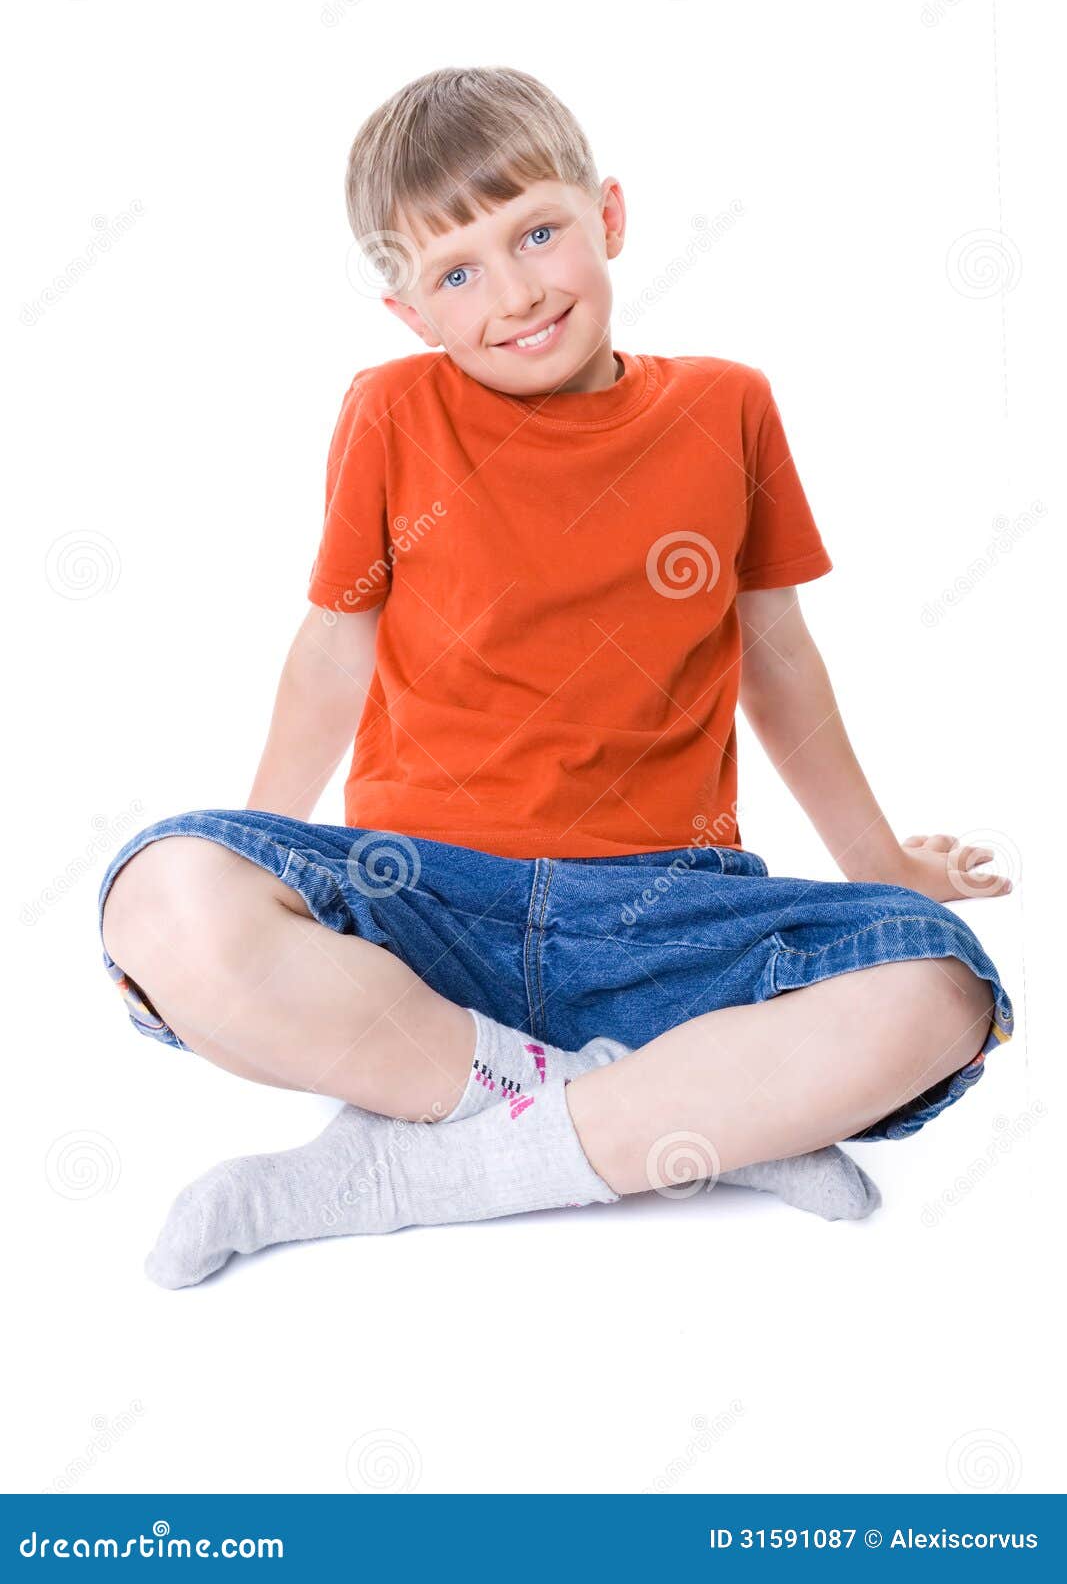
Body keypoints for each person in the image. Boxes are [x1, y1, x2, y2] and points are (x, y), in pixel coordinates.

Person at [97, 66, 1015, 1289]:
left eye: (538, 233)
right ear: (407, 311)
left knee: (942, 987)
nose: (516, 292)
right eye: (456, 271)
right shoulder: (388, 412)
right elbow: (334, 648)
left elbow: (777, 659)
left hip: (662, 917)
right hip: (423, 910)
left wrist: (881, 863)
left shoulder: (725, 407)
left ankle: (421, 1163)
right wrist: (267, 859)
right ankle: (651, 1125)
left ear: (610, 217)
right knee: (159, 899)